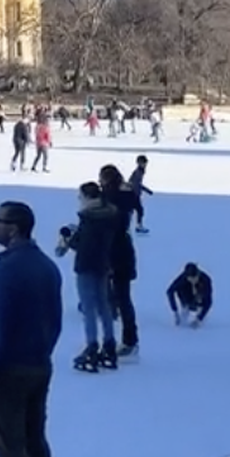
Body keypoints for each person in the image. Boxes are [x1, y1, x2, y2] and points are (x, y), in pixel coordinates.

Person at [0, 201, 61, 457]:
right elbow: (53, 322)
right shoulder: (45, 266)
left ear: (13, 229)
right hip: (39, 364)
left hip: (9, 371)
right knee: (35, 443)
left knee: (10, 449)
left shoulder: (8, 269)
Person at [56, 182, 118, 372]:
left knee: (89, 308)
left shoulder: (89, 217)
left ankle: (91, 345)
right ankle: (109, 344)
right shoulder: (110, 214)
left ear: (87, 197)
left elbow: (84, 243)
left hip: (86, 265)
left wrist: (69, 241)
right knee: (103, 305)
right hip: (103, 264)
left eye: (80, 197)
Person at [99, 164, 141, 357]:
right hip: (123, 249)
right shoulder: (126, 195)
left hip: (111, 249)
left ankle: (123, 340)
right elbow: (137, 206)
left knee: (118, 298)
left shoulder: (109, 199)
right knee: (123, 298)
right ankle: (129, 339)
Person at [167, 263, 213, 328]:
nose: (193, 280)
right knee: (184, 315)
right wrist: (175, 311)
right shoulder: (182, 279)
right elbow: (170, 291)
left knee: (201, 314)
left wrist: (199, 319)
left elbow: (209, 301)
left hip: (200, 299)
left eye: (195, 278)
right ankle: (183, 317)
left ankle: (198, 320)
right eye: (190, 278)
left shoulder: (206, 280)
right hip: (186, 296)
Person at [128, 155, 153, 234]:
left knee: (135, 210)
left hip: (134, 193)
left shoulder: (140, 171)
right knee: (138, 210)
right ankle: (136, 227)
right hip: (133, 194)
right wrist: (146, 190)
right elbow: (136, 184)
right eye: (144, 163)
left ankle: (135, 226)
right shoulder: (138, 172)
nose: (145, 164)